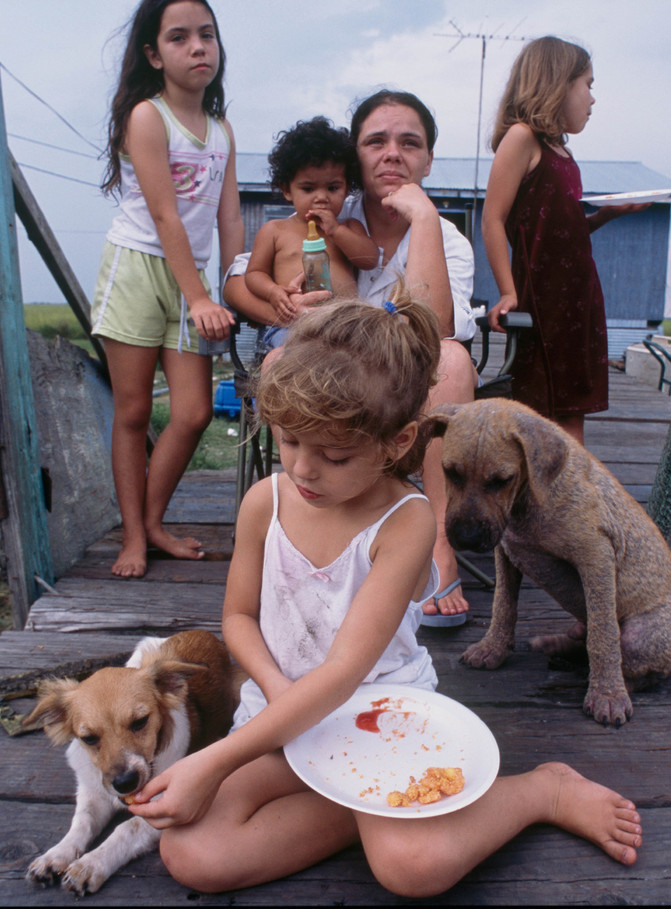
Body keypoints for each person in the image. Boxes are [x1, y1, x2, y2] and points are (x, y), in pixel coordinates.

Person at [125, 293, 643, 897]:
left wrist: (212, 760)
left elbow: (346, 672)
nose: (303, 470)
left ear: (396, 444)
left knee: (411, 869)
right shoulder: (264, 502)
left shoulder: (406, 522)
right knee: (192, 853)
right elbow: (239, 616)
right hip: (281, 713)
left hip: (380, 721)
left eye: (335, 455)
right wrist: (276, 692)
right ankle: (369, 816)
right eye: (290, 442)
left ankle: (539, 790)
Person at [224, 89, 479, 624]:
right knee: (277, 365)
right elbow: (237, 280)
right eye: (376, 141)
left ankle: (436, 542)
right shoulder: (326, 204)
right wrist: (282, 304)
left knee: (453, 360)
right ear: (354, 157)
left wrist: (424, 221)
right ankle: (305, 525)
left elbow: (437, 328)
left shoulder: (447, 236)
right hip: (332, 388)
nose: (392, 154)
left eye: (409, 142)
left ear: (428, 159)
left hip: (405, 393)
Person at [91, 0, 241, 578]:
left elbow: (229, 221)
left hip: (194, 279)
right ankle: (134, 536)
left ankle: (154, 521)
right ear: (155, 55)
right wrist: (198, 297)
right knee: (131, 412)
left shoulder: (223, 129)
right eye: (179, 38)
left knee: (195, 412)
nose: (198, 47)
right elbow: (164, 216)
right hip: (137, 268)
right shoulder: (147, 117)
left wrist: (228, 286)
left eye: (207, 35)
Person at [481, 36, 649, 445]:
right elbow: (493, 218)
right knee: (542, 408)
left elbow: (559, 232)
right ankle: (544, 498)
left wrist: (605, 216)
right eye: (588, 84)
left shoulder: (563, 153)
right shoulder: (523, 138)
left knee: (573, 407)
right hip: (543, 297)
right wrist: (507, 292)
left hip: (578, 297)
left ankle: (568, 499)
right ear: (558, 82)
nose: (593, 99)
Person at [244, 117, 379, 350]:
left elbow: (369, 260)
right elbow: (254, 273)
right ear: (287, 190)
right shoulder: (275, 230)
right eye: (308, 189)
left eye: (333, 188)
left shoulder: (349, 227)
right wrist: (273, 291)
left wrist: (336, 231)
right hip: (292, 327)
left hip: (344, 324)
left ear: (347, 188)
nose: (321, 197)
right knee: (291, 357)